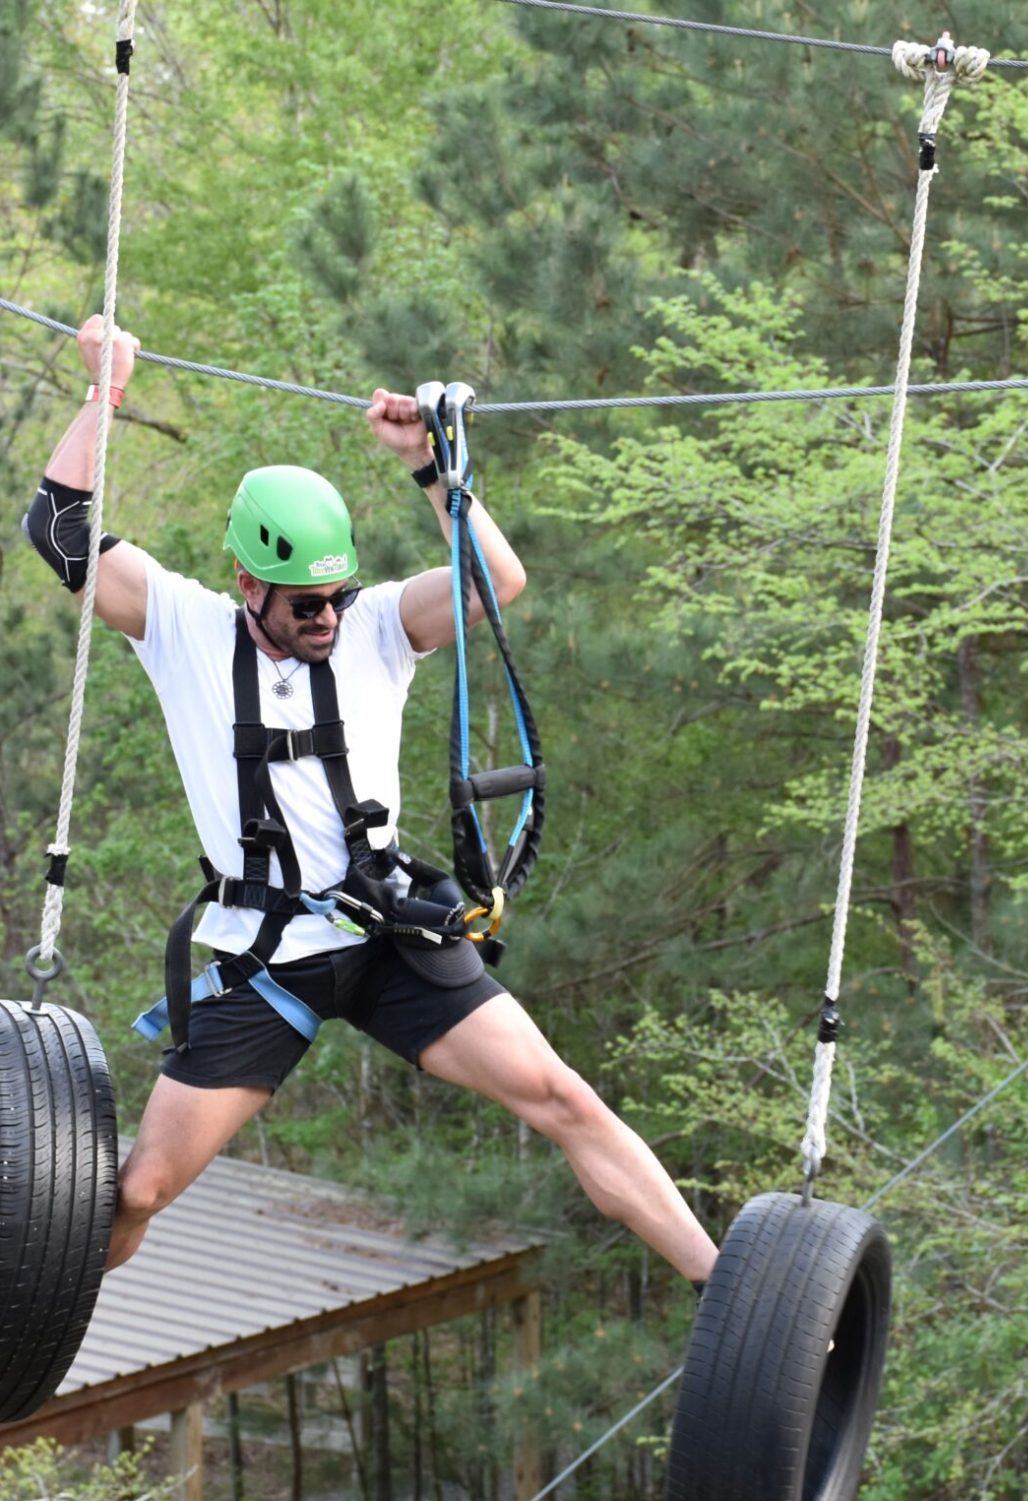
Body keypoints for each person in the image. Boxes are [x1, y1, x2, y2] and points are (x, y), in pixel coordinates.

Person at [22, 315, 718, 1286]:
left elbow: (495, 582)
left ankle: (727, 1290)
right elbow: (58, 530)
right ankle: (37, 1349)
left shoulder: (377, 626)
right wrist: (107, 394)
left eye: (334, 596)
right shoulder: (181, 626)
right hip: (265, 959)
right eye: (302, 603)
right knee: (135, 1191)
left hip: (386, 933)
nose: (323, 618)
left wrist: (430, 467)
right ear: (244, 581)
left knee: (563, 1097)